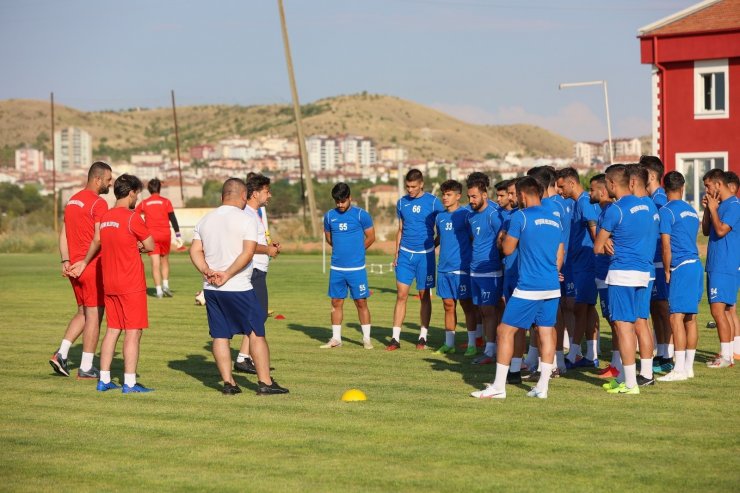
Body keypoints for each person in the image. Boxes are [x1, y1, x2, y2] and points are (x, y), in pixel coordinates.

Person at [190, 178, 288, 395]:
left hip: (212, 288)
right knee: (255, 333)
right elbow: (248, 252)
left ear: (222, 195)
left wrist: (207, 271)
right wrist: (227, 274)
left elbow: (194, 251)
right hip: (239, 287)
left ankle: (229, 384)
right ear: (244, 196)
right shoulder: (247, 219)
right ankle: (265, 383)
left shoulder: (205, 220)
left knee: (220, 335)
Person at [470, 176, 564, 399]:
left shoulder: (520, 216)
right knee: (546, 331)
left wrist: (503, 238)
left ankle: (499, 386)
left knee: (505, 331)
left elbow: (508, 250)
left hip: (529, 285)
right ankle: (543, 386)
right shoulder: (554, 218)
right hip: (551, 284)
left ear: (522, 195)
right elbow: (560, 251)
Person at [595, 164, 654, 395]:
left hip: (622, 273)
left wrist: (607, 242)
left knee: (624, 327)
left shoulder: (614, 210)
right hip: (644, 273)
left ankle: (630, 383)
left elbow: (598, 247)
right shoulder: (648, 204)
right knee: (641, 323)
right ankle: (638, 376)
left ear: (611, 184)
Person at [50, 161, 112, 379]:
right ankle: (86, 367)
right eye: (108, 179)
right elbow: (99, 238)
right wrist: (85, 262)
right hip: (90, 266)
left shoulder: (72, 200)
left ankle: (61, 354)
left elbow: (63, 233)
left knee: (82, 312)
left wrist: (65, 260)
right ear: (97, 179)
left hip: (73, 267)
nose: (110, 183)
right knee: (95, 315)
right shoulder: (99, 203)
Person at [96, 174, 155, 393]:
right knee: (133, 332)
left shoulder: (105, 217)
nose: (137, 199)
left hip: (109, 282)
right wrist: (138, 245)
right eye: (137, 194)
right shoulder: (132, 217)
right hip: (130, 283)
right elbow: (150, 244)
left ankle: (104, 379)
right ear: (131, 192)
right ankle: (129, 382)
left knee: (112, 330)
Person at [387, 169, 444, 351]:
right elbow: (400, 229)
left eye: (413, 186)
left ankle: (423, 337)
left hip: (425, 256)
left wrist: (432, 246)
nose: (410, 190)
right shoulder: (402, 203)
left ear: (421, 184)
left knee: (424, 296)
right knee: (401, 294)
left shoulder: (434, 202)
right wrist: (396, 253)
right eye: (407, 186)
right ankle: (395, 338)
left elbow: (442, 229)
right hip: (405, 255)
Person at [233, 173, 281, 374]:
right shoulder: (248, 215)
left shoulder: (255, 214)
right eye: (266, 191)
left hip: (259, 269)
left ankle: (245, 357)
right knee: (258, 315)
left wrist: (269, 246)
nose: (269, 195)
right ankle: (245, 358)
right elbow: (248, 246)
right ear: (254, 194)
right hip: (254, 270)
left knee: (258, 316)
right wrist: (267, 250)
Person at [657, 171, 702, 381]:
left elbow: (666, 245)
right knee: (690, 318)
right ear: (682, 187)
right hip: (695, 265)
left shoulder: (666, 211)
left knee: (675, 317)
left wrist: (666, 270)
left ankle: (679, 369)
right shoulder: (692, 211)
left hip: (681, 267)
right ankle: (688, 368)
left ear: (664, 187)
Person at [320, 182, 375, 349]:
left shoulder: (361, 215)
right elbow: (330, 239)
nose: (340, 205)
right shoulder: (329, 216)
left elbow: (371, 237)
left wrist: (357, 251)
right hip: (337, 268)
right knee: (336, 302)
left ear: (350, 198)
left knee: (361, 302)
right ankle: (336, 339)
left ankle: (366, 339)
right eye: (337, 201)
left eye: (343, 201)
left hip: (356, 269)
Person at [556, 167, 600, 369]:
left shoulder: (584, 202)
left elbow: (594, 233)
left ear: (572, 183)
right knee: (585, 308)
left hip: (587, 264)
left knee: (581, 308)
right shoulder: (575, 203)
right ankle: (590, 355)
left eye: (562, 186)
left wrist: (600, 250)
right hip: (578, 264)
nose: (559, 190)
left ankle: (575, 353)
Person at [701, 169, 740, 368]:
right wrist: (709, 209)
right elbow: (707, 230)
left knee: (718, 311)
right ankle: (729, 354)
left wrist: (714, 210)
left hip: (725, 265)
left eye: (708, 185)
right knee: (723, 311)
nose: (706, 190)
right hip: (716, 264)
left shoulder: (733, 205)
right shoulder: (721, 205)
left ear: (718, 184)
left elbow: (722, 230)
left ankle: (726, 357)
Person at [434, 179, 476, 355]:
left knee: (467, 306)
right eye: (443, 194)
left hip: (461, 268)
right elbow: (440, 239)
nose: (445, 197)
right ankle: (449, 343)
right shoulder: (439, 216)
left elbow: (473, 239)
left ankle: (472, 343)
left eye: (449, 194)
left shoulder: (466, 215)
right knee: (448, 305)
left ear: (458, 196)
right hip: (443, 268)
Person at [640, 155, 673, 372]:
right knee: (655, 308)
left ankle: (668, 355)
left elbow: (664, 235)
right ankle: (661, 353)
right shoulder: (651, 198)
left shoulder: (660, 199)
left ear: (650, 175)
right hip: (652, 261)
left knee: (662, 308)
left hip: (660, 262)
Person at [466, 175, 504, 365]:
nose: (471, 201)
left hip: (491, 271)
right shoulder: (471, 215)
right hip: (475, 271)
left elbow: (503, 239)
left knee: (490, 310)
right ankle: (492, 347)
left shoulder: (495, 214)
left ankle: (492, 351)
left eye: (474, 197)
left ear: (484, 194)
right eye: (469, 197)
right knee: (482, 310)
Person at [590, 174, 621, 379]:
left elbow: (604, 244)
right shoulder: (602, 212)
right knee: (611, 318)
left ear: (602, 192)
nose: (589, 193)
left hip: (611, 274)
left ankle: (618, 365)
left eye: (592, 190)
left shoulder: (612, 211)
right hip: (602, 273)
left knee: (617, 321)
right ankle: (616, 362)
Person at [135, 178, 183, 298]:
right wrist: (178, 235)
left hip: (151, 236)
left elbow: (134, 214)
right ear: (159, 189)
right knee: (165, 260)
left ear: (149, 189)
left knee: (155, 263)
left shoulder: (145, 203)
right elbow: (173, 218)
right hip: (165, 234)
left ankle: (159, 290)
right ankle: (166, 285)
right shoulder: (166, 202)